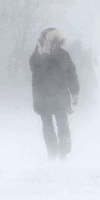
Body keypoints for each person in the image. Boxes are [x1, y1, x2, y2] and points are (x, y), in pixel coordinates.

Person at [29, 28, 79, 160]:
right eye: (49, 42)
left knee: (62, 123)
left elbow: (71, 74)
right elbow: (37, 72)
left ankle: (63, 152)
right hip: (43, 98)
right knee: (48, 125)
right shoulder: (36, 57)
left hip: (59, 97)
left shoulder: (63, 55)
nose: (52, 45)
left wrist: (75, 92)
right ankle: (52, 152)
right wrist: (44, 54)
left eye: (54, 42)